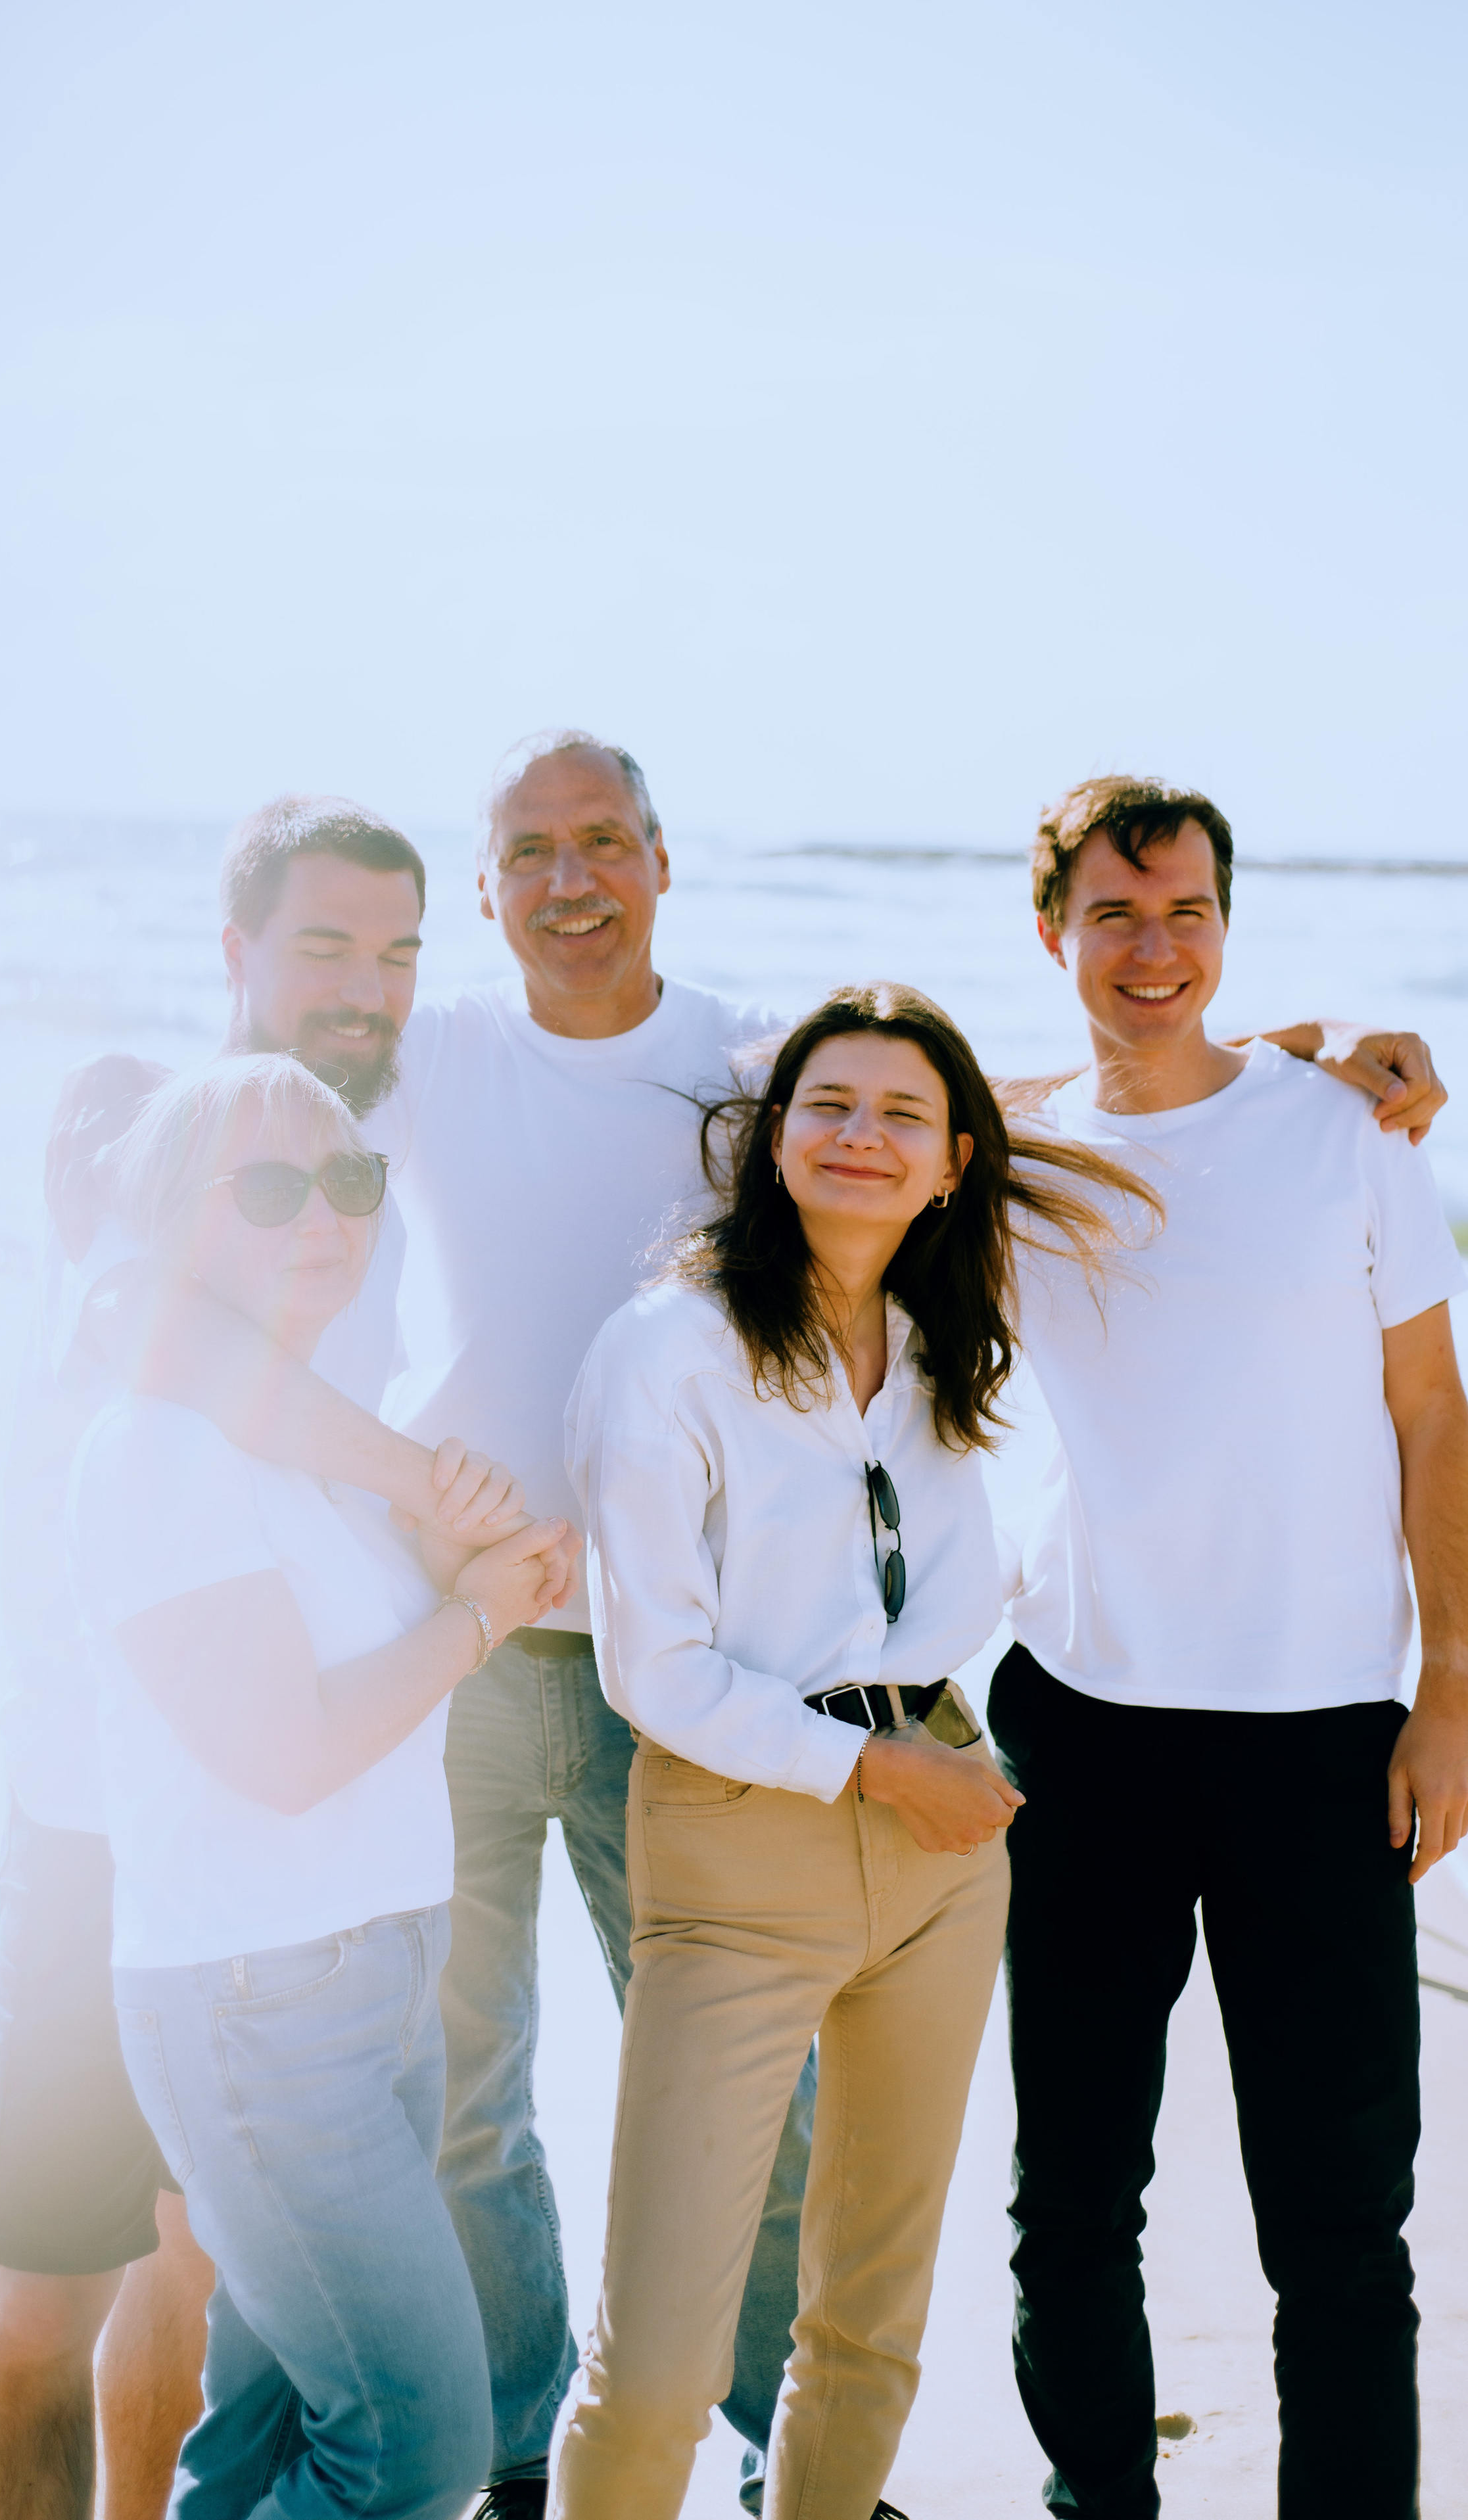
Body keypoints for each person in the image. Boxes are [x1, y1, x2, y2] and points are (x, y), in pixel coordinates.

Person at [108, 734, 1448, 2517]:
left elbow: (957, 1124)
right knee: (498, 2100)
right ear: (489, 887)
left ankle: (787, 2458)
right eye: (531, 852)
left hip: (983, 1715)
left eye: (607, 844)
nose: (573, 881)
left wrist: (1267, 1063)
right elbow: (213, 1203)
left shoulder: (762, 1072)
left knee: (1207, 2208)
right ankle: (542, 2457)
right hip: (585, 1668)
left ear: (664, 862)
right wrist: (423, 1492)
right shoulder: (426, 1065)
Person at [0, 799, 529, 2520]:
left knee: (217, 2297)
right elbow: (179, 1350)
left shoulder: (361, 1168)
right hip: (91, 1820)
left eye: (401, 951)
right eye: (326, 945)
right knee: (48, 2294)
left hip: (275, 1880)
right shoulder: (132, 1120)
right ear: (240, 952)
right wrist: (432, 1494)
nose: (367, 986)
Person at [550, 985, 1145, 2519]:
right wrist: (886, 1773)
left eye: (901, 1115)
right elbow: (655, 1672)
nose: (860, 1137)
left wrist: (1301, 1058)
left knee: (868, 2327)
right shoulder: (665, 1350)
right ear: (770, 1141)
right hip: (744, 1839)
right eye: (827, 1106)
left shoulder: (947, 1335)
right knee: (661, 2358)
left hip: (944, 1846)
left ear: (954, 1160)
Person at [989, 776, 1468, 2520]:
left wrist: (1455, 1694)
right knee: (1074, 2199)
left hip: (1323, 1739)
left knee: (1342, 2219)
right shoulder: (1011, 1148)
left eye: (1186, 911)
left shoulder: (1351, 1135)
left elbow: (1433, 1413)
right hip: (1081, 1730)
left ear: (1227, 924)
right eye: (1115, 913)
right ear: (1055, 933)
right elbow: (828, 1110)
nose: (1153, 945)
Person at [68, 1052, 576, 2519]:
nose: (325, 1218)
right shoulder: (158, 1449)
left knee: (267, 2437)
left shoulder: (299, 1436)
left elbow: (384, 1658)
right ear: (176, 1221)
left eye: (349, 1181)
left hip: (370, 1981)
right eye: (272, 1186)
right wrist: (475, 1616)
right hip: (258, 2010)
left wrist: (468, 1573)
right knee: (418, 2447)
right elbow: (285, 1752)